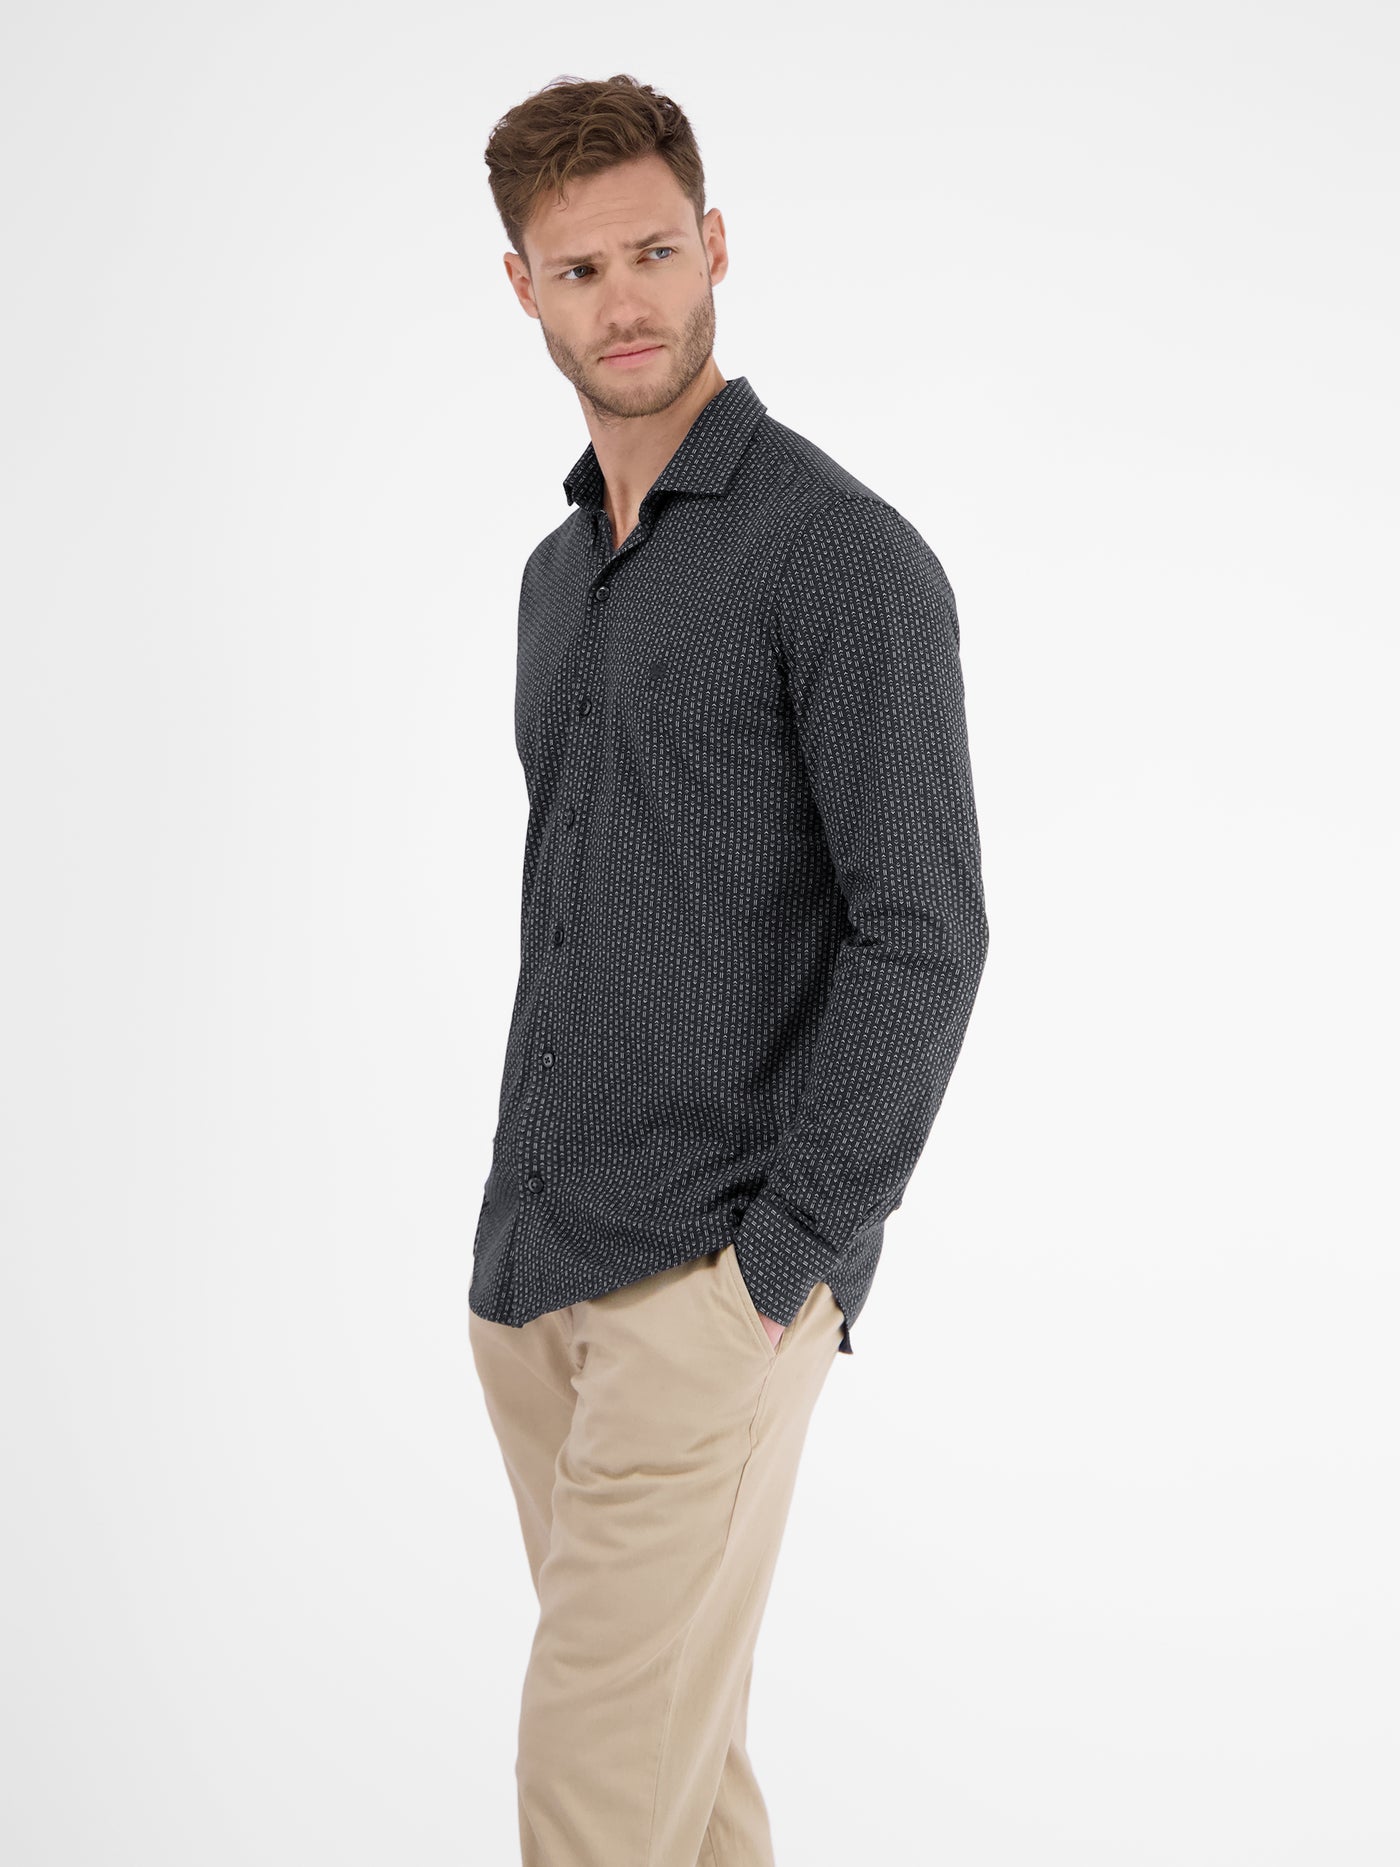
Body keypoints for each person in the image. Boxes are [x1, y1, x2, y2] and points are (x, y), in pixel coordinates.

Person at [470, 70, 990, 1867]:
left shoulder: (842, 559)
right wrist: (510, 1260)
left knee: (588, 1796)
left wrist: (778, 1272)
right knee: (674, 1792)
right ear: (523, 289)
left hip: (711, 1286)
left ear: (713, 247)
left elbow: (926, 934)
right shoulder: (557, 580)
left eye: (653, 253)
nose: (625, 300)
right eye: (578, 268)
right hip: (535, 1281)